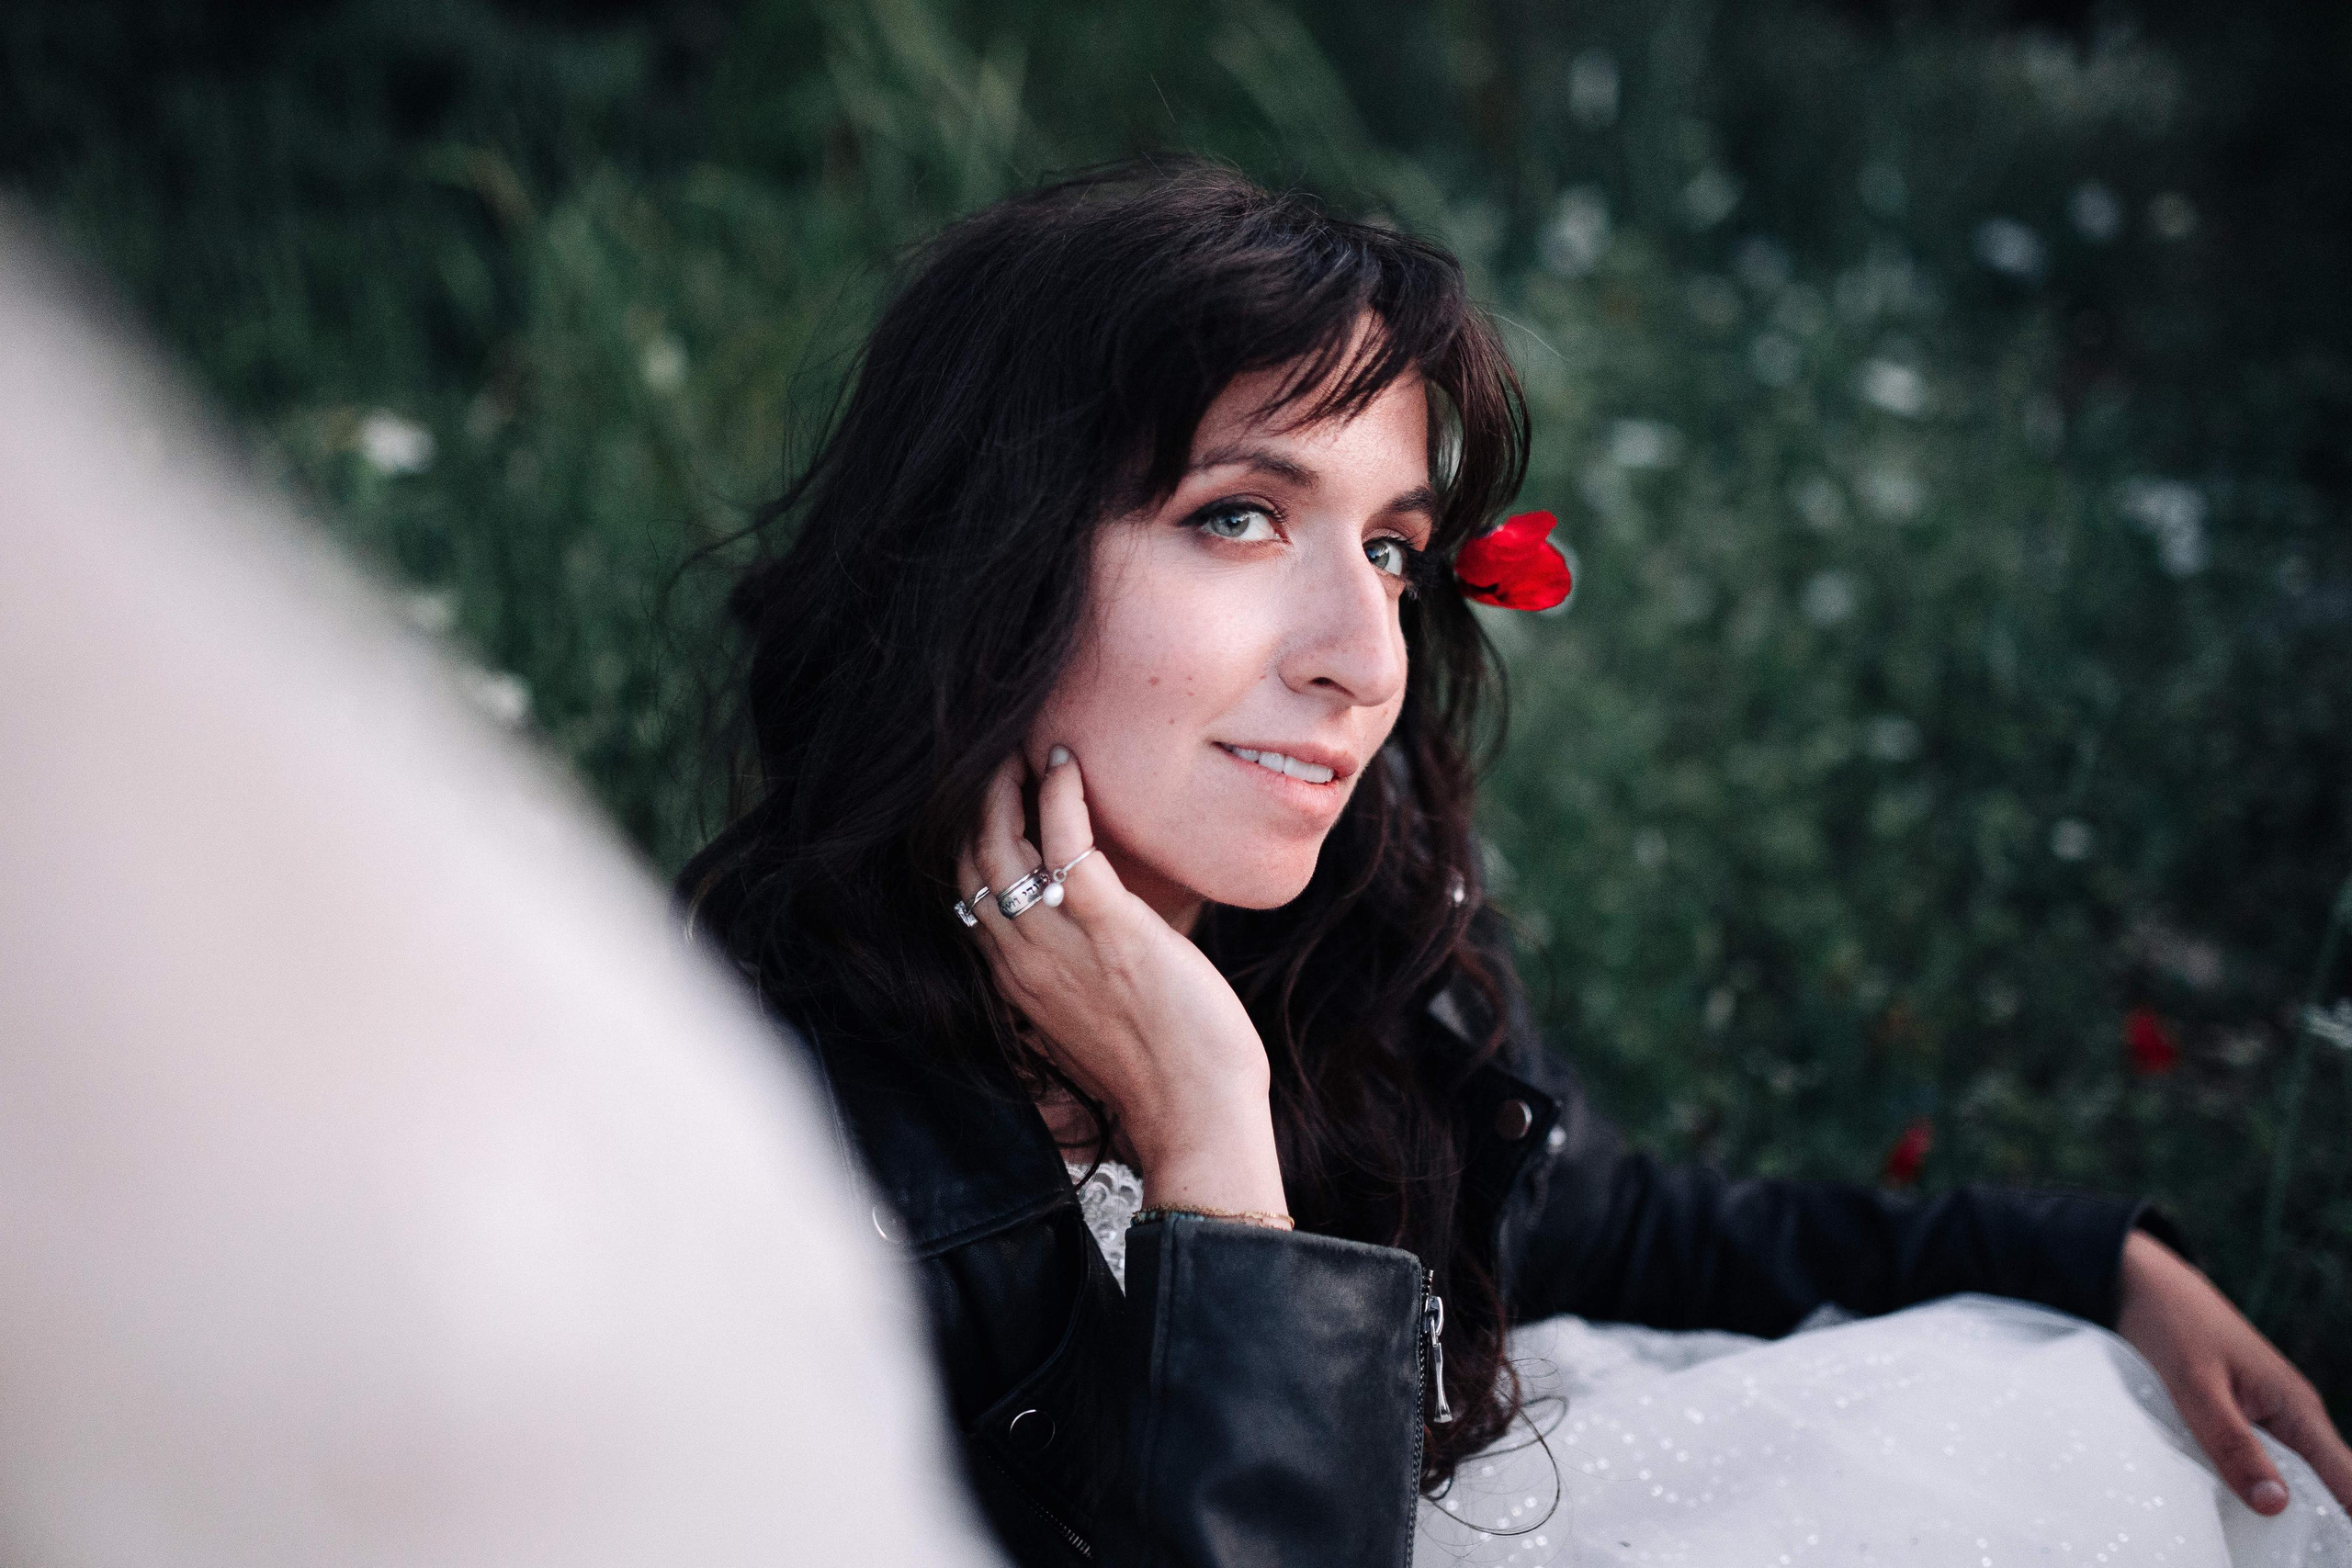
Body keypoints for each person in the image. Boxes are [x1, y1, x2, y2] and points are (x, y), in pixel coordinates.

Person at [677, 160, 2352, 1566]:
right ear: (984, 554)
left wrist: (2093, 1260)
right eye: (1240, 515)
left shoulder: (1335, 962)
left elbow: (1628, 1233)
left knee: (2092, 1439)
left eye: (1392, 547)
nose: (1362, 655)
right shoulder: (770, 1153)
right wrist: (1207, 1138)